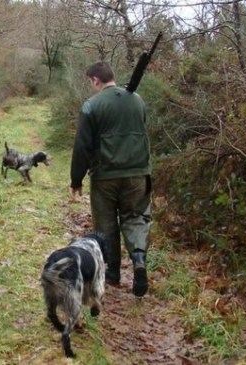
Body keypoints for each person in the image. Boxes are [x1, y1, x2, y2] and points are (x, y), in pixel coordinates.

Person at [69, 61, 152, 297]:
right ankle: (138, 261)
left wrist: (76, 180)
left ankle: (112, 273)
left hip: (105, 176)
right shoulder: (137, 100)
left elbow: (82, 147)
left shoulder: (91, 105)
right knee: (136, 218)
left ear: (96, 80)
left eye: (91, 82)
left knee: (105, 224)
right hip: (138, 173)